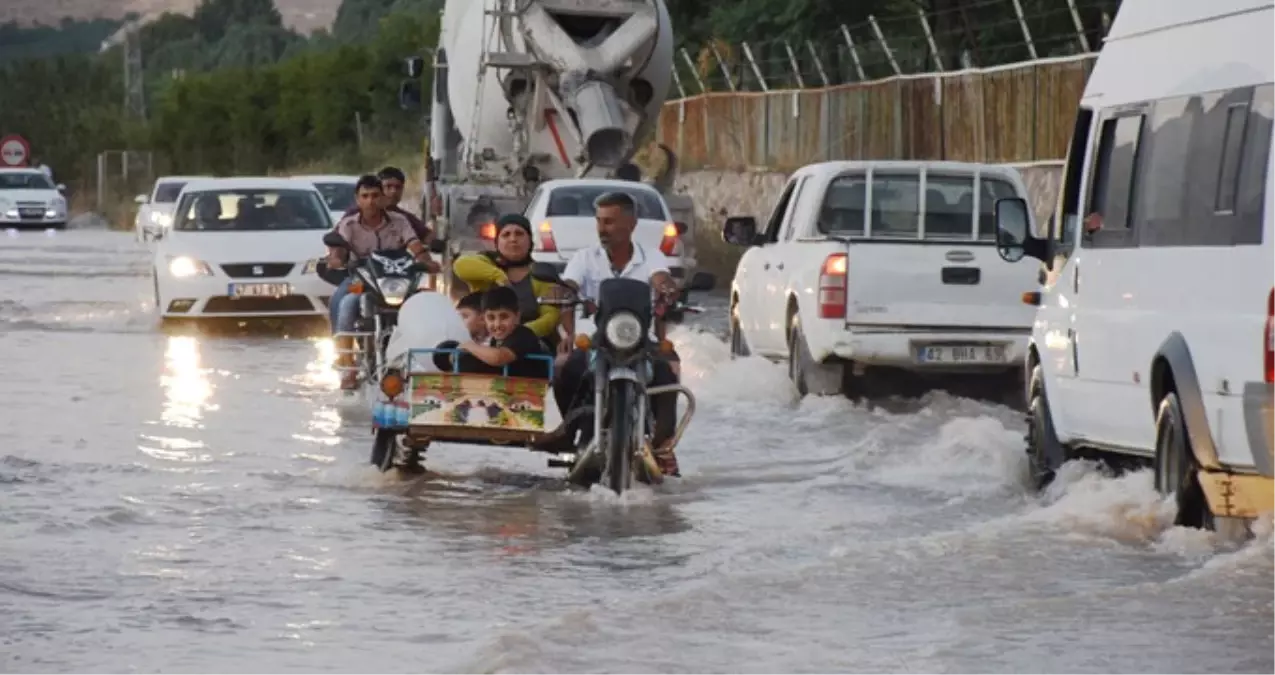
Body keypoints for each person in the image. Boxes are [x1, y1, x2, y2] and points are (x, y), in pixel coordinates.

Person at [548, 191, 684, 476]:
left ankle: (662, 443)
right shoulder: (585, 257)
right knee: (564, 367)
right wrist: (566, 313)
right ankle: (567, 429)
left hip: (638, 340)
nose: (602, 229)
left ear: (631, 224)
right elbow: (569, 287)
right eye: (599, 221)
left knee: (668, 372)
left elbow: (660, 277)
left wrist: (667, 287)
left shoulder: (651, 256)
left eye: (609, 222)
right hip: (596, 340)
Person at [327, 174, 439, 389]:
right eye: (365, 196)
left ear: (383, 198)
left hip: (397, 280)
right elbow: (338, 250)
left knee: (425, 304)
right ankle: (347, 364)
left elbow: (414, 243)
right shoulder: (348, 224)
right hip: (361, 279)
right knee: (344, 302)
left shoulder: (399, 221)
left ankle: (429, 361)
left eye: (375, 196)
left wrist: (427, 261)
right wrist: (335, 259)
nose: (370, 201)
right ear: (357, 199)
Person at [451, 213, 561, 343]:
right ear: (497, 242)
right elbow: (460, 265)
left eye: (519, 234)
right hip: (486, 345)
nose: (513, 239)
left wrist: (513, 334)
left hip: (529, 345)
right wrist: (499, 276)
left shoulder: (542, 272)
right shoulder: (488, 263)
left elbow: (550, 317)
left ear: (530, 241)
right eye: (506, 234)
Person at [432, 287, 550, 379]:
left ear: (517, 316)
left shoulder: (523, 335)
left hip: (532, 391)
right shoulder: (495, 340)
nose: (497, 324)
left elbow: (498, 358)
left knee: (467, 362)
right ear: (484, 319)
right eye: (491, 318)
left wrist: (468, 346)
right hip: (509, 389)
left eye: (504, 317)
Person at [343, 166, 431, 242]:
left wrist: (434, 214)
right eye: (388, 186)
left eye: (398, 187)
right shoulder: (354, 215)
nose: (393, 191)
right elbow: (337, 240)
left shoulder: (402, 218)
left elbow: (427, 237)